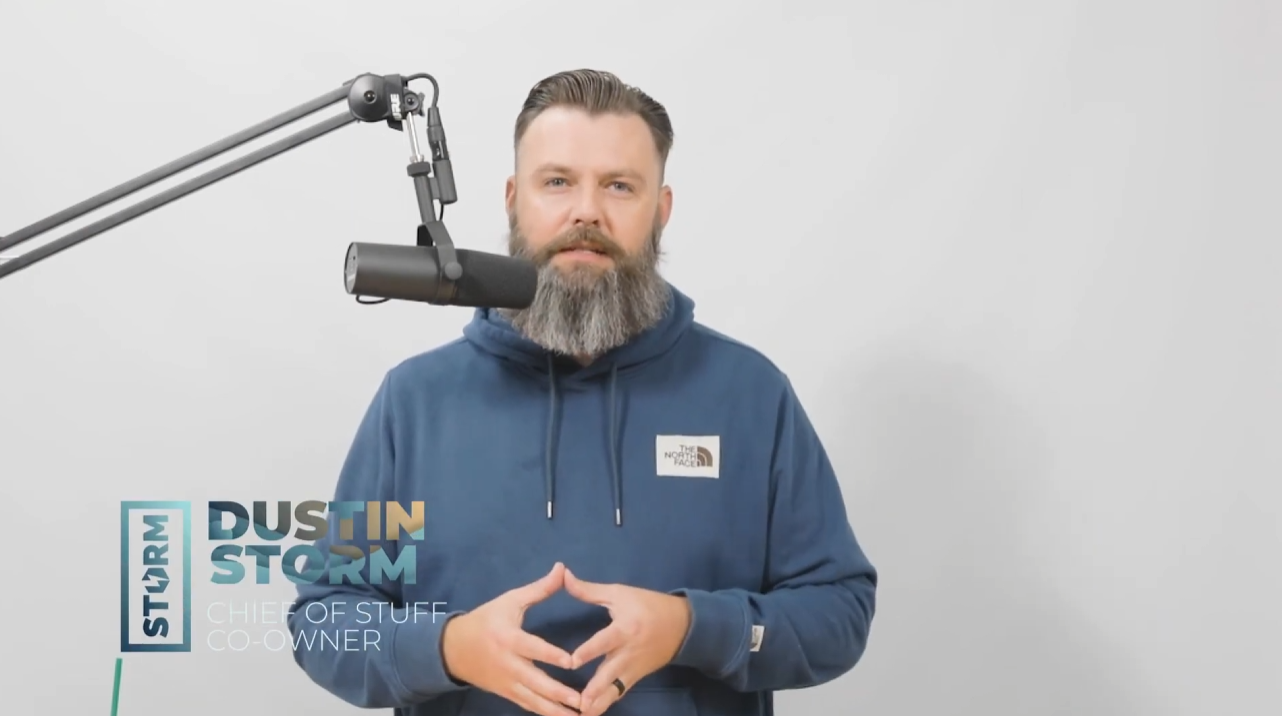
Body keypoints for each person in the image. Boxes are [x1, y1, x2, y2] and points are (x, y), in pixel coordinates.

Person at [288, 68, 877, 716]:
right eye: (558, 182)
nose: (587, 211)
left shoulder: (751, 395)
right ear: (514, 199)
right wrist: (450, 647)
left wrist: (692, 628)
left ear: (662, 208)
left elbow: (839, 612)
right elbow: (322, 621)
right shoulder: (415, 401)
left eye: (619, 186)